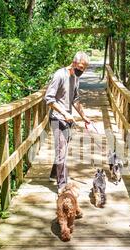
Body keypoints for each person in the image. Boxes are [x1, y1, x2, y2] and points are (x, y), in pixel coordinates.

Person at [45, 52, 91, 194]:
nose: (82, 70)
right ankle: (62, 186)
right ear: (74, 62)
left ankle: (54, 173)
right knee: (61, 151)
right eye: (81, 67)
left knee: (62, 149)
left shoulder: (75, 77)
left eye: (84, 68)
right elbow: (49, 98)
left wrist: (84, 117)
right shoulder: (59, 75)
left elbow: (75, 100)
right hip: (57, 118)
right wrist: (64, 113)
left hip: (68, 119)